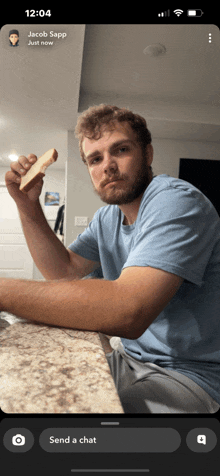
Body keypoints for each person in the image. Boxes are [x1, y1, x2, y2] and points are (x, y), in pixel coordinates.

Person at [3, 104, 220, 413]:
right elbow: (63, 271)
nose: (107, 166)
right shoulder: (107, 218)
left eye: (120, 150)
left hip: (191, 375)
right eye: (95, 158)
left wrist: (4, 292)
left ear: (148, 154)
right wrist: (27, 206)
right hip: (130, 359)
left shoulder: (175, 200)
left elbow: (128, 311)